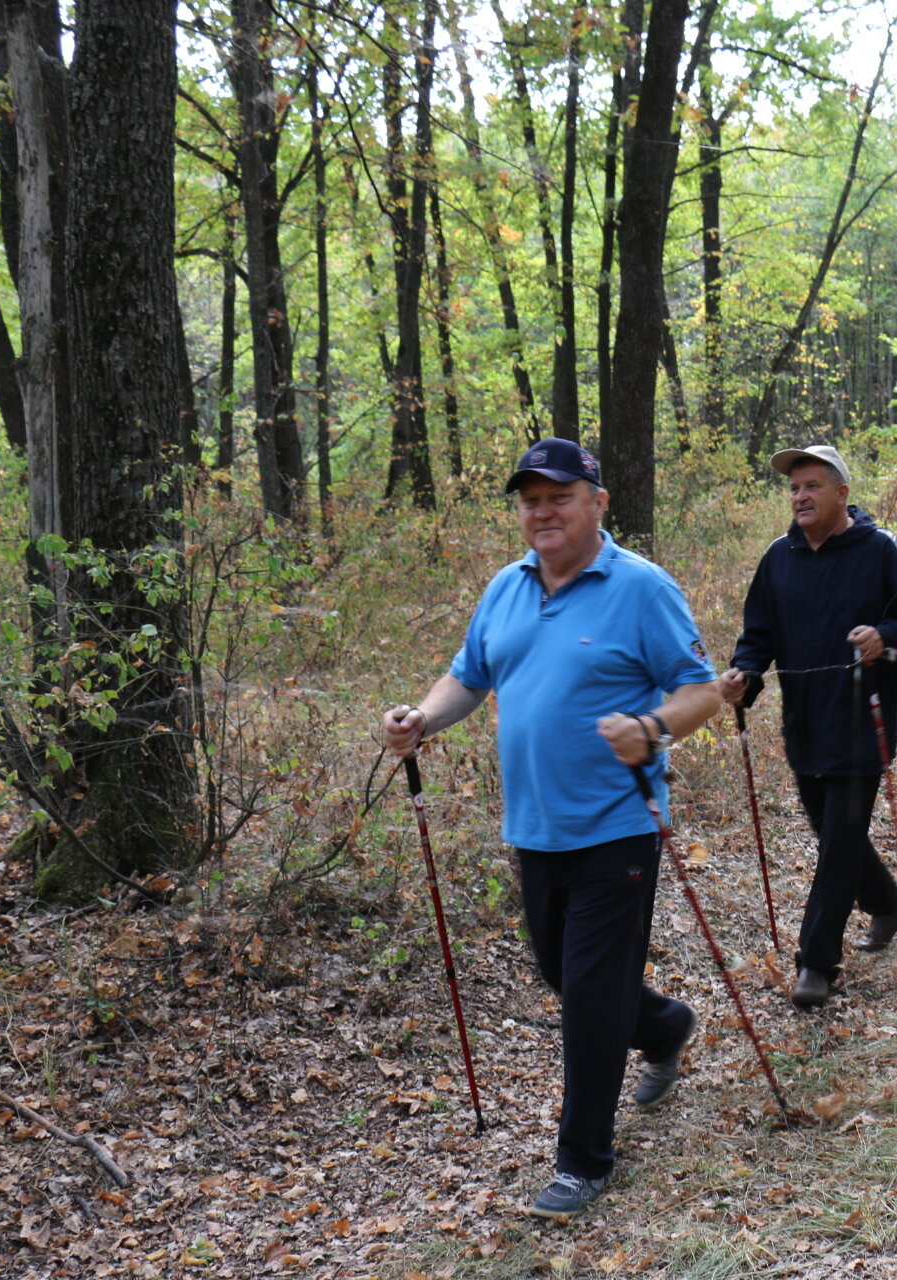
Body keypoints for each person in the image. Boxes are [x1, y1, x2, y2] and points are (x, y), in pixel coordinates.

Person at [378, 439, 721, 1222]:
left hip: (618, 827)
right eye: (530, 498)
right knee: (567, 980)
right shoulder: (506, 588)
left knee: (590, 1001)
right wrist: (422, 719)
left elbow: (701, 692)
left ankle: (583, 1160)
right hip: (535, 830)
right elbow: (469, 674)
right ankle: (667, 1026)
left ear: (597, 503)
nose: (542, 510)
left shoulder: (640, 588)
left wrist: (652, 727)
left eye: (558, 496)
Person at [720, 444, 897, 1010]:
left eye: (812, 486)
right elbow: (758, 632)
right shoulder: (779, 556)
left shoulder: (879, 549)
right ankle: (889, 903)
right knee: (834, 835)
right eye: (794, 488)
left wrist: (884, 639)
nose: (800, 496)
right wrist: (745, 674)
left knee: (839, 843)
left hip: (862, 723)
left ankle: (816, 963)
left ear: (842, 493)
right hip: (805, 724)